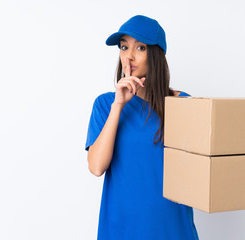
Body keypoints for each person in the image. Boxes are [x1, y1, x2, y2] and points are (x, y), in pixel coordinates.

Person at [85, 15, 199, 240]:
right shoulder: (105, 104)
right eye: (124, 47)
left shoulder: (183, 105)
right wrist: (119, 105)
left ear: (156, 54)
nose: (130, 56)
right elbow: (97, 167)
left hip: (172, 229)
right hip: (122, 230)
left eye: (140, 47)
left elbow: (199, 169)